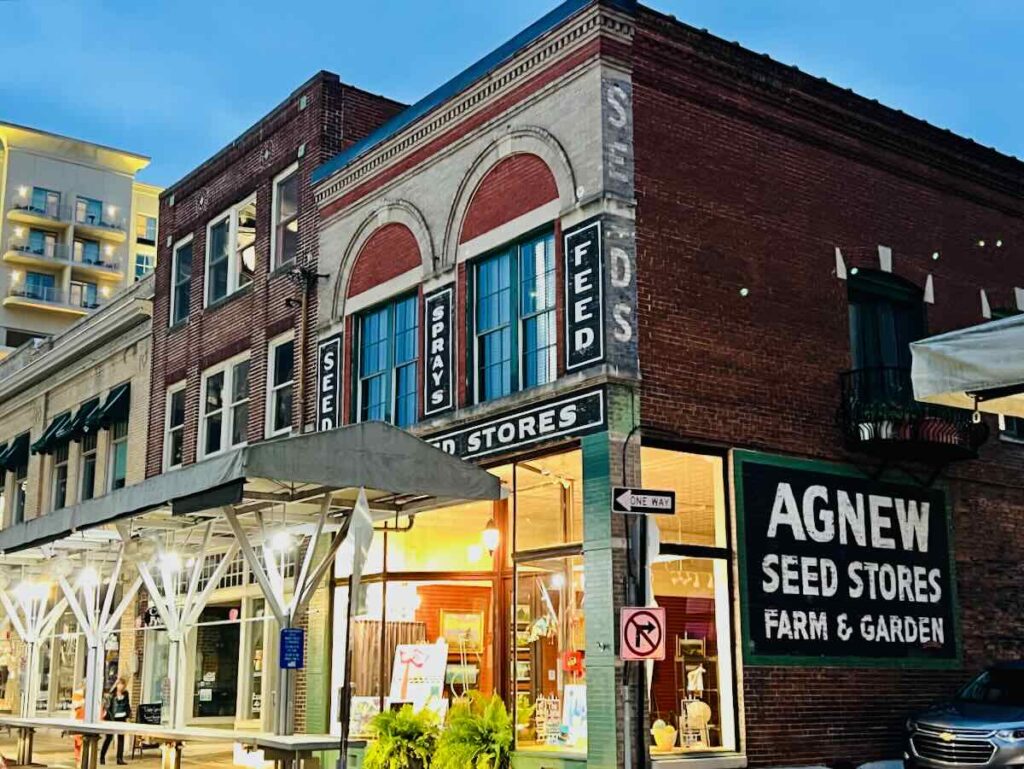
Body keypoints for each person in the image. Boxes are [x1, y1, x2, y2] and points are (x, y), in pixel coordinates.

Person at [100, 677, 131, 765]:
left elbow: (127, 705)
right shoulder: (112, 694)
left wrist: (128, 714)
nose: (121, 687)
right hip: (112, 718)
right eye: (120, 685)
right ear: (117, 685)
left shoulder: (126, 694)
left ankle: (119, 759)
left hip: (122, 717)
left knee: (121, 738)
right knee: (109, 738)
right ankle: (102, 756)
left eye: (123, 685)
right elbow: (108, 706)